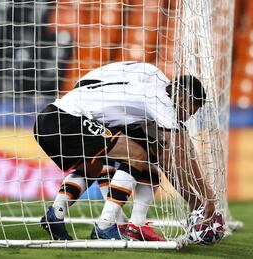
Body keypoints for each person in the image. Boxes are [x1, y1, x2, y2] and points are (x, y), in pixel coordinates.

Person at [33, 61, 215, 241]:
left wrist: (195, 199)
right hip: (66, 118)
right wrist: (206, 197)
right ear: (182, 100)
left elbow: (169, 157)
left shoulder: (149, 96)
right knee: (136, 154)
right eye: (193, 110)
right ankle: (106, 225)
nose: (191, 116)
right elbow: (176, 152)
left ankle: (55, 215)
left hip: (52, 117)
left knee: (94, 167)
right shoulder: (160, 101)